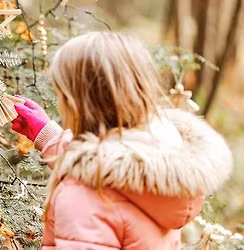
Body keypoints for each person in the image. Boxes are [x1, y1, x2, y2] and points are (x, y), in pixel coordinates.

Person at [12, 32, 233, 250]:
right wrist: (49, 136)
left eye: (60, 94)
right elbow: (113, 161)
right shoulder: (159, 158)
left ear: (75, 102)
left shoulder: (83, 196)